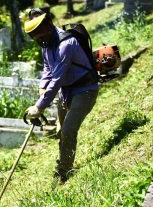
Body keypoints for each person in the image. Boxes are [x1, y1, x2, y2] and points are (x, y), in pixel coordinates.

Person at [24, 8, 99, 184]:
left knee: (68, 130)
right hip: (66, 92)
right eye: (37, 39)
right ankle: (63, 163)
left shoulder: (67, 44)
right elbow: (47, 69)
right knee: (60, 132)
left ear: (49, 25)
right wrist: (43, 87)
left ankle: (64, 171)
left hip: (85, 90)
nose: (40, 40)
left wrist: (39, 106)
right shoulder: (46, 44)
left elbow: (57, 78)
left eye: (41, 36)